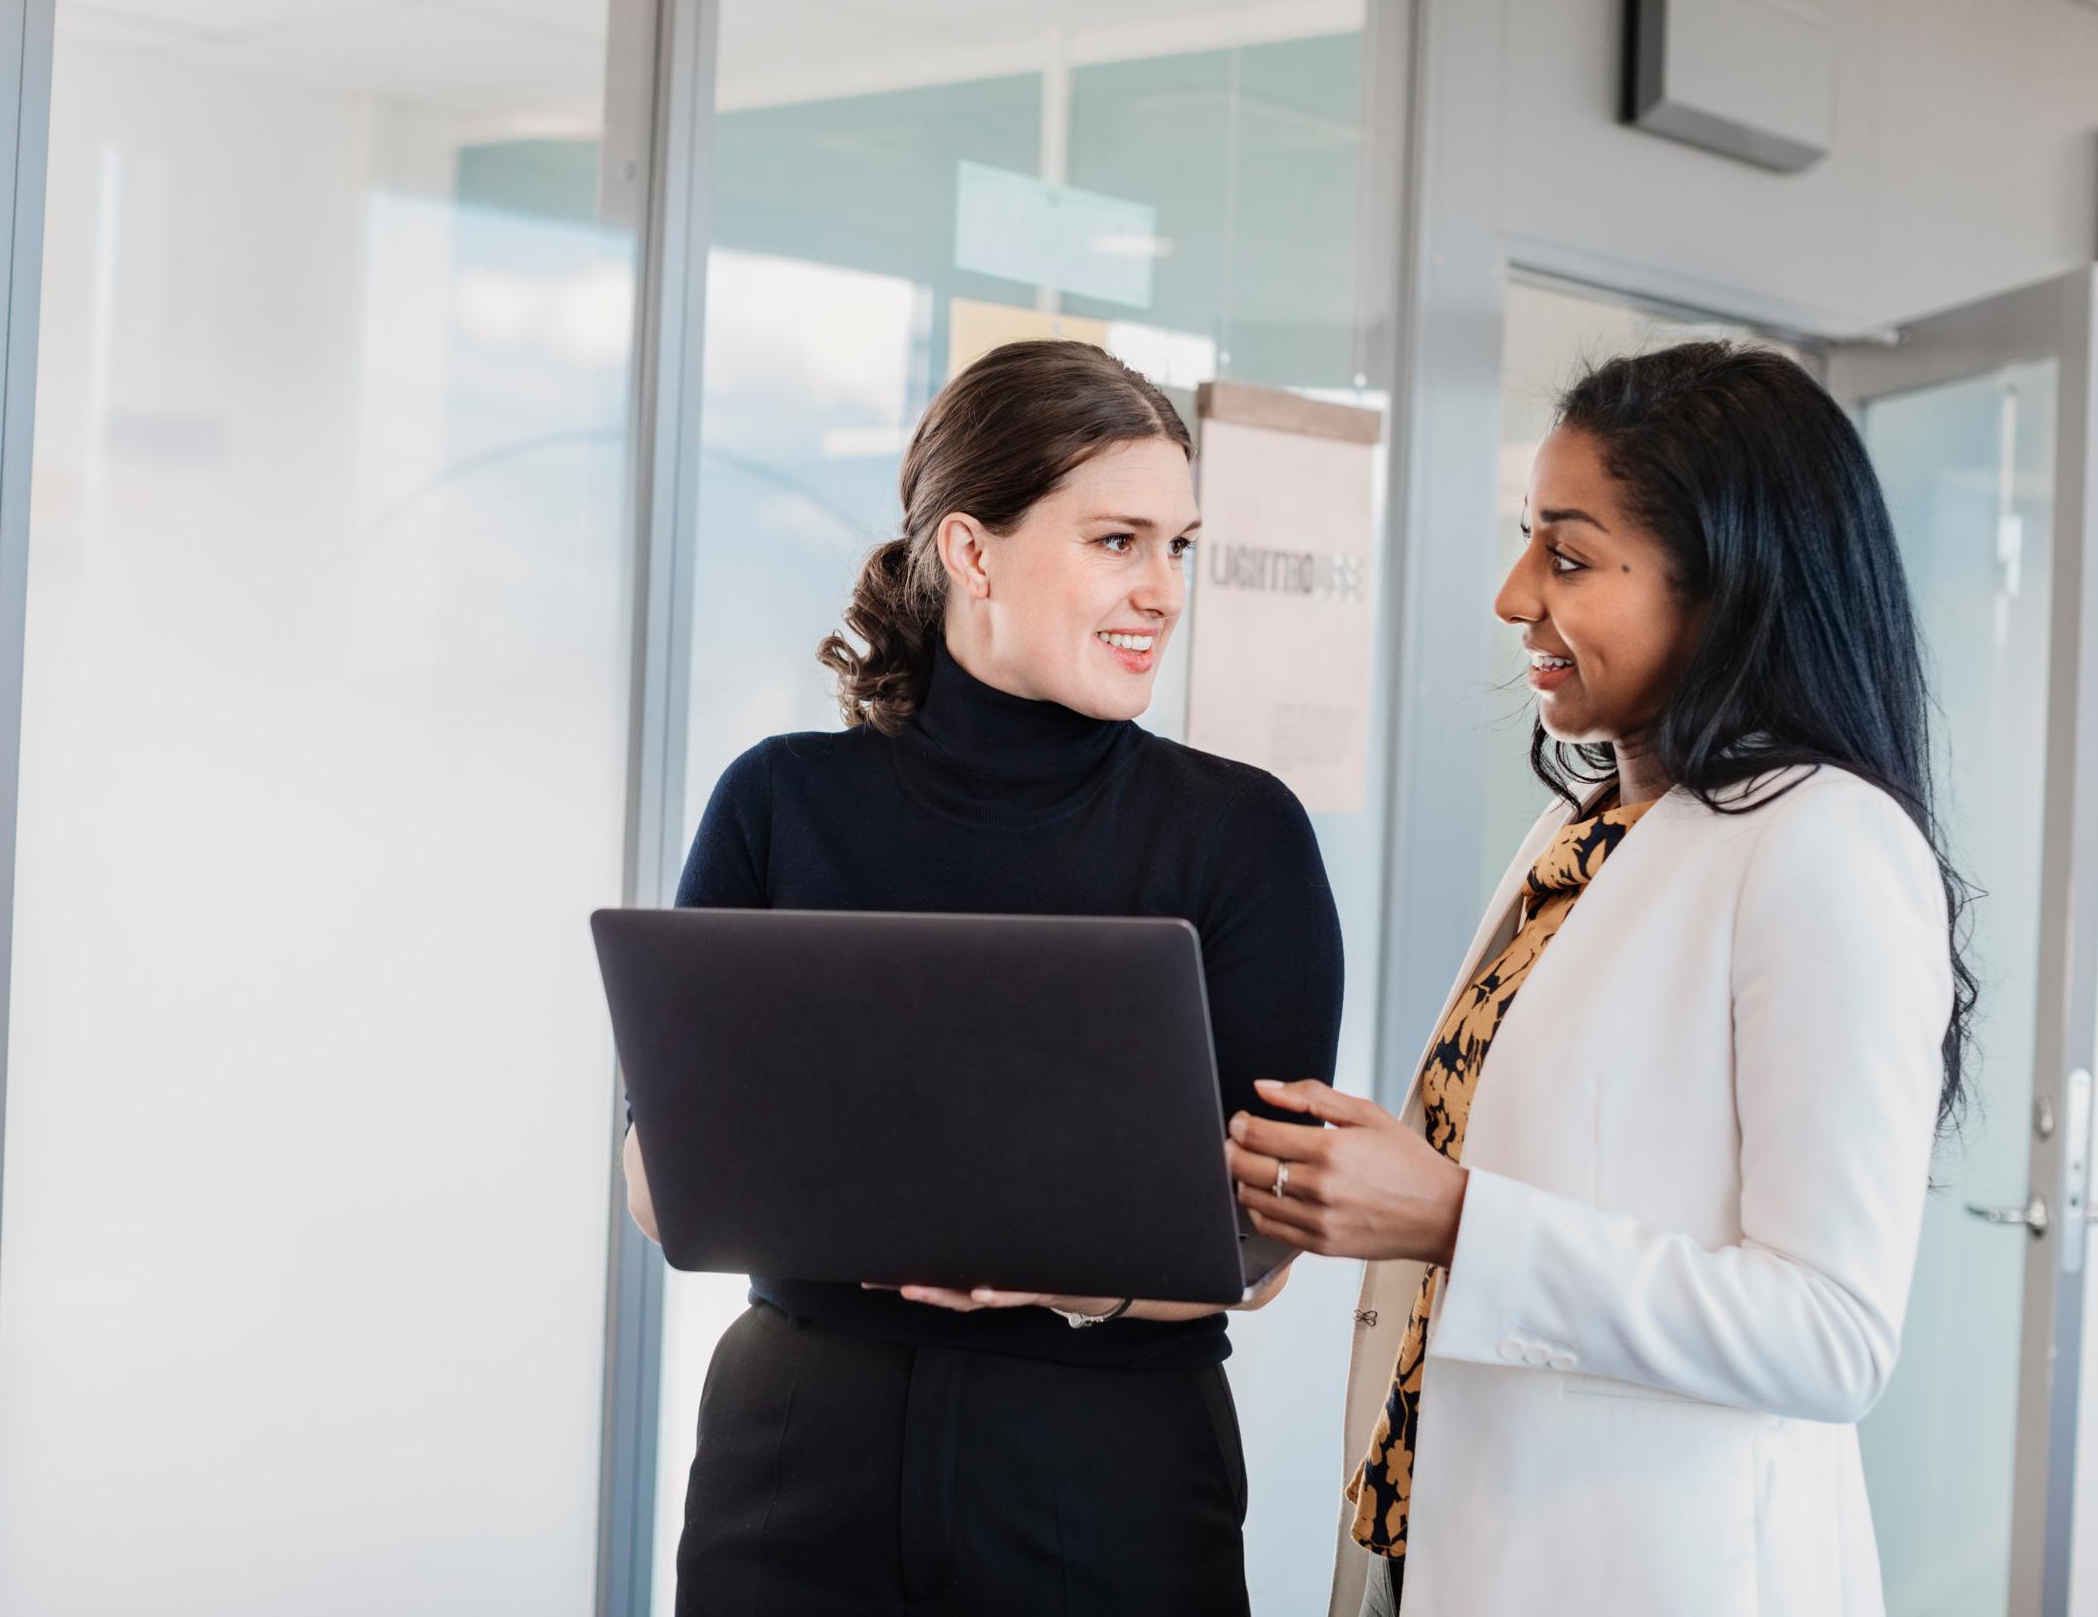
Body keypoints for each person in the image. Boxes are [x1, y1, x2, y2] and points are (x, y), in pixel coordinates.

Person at [1224, 343, 1973, 1617]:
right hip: (1438, 1539)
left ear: (1726, 587)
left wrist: (1456, 1217)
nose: (1515, 595)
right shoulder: (1579, 832)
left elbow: (1830, 1335)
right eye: (1529, 543)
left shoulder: (1824, 846)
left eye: (1568, 558)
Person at [624, 339, 1346, 1615]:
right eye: (1116, 540)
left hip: (1099, 1458)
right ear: (970, 551)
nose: (1162, 590)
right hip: (792, 1447)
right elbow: (655, 1174)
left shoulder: (1237, 835)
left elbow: (1262, 1238)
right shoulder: (782, 801)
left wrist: (1067, 1280)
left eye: (1177, 546)